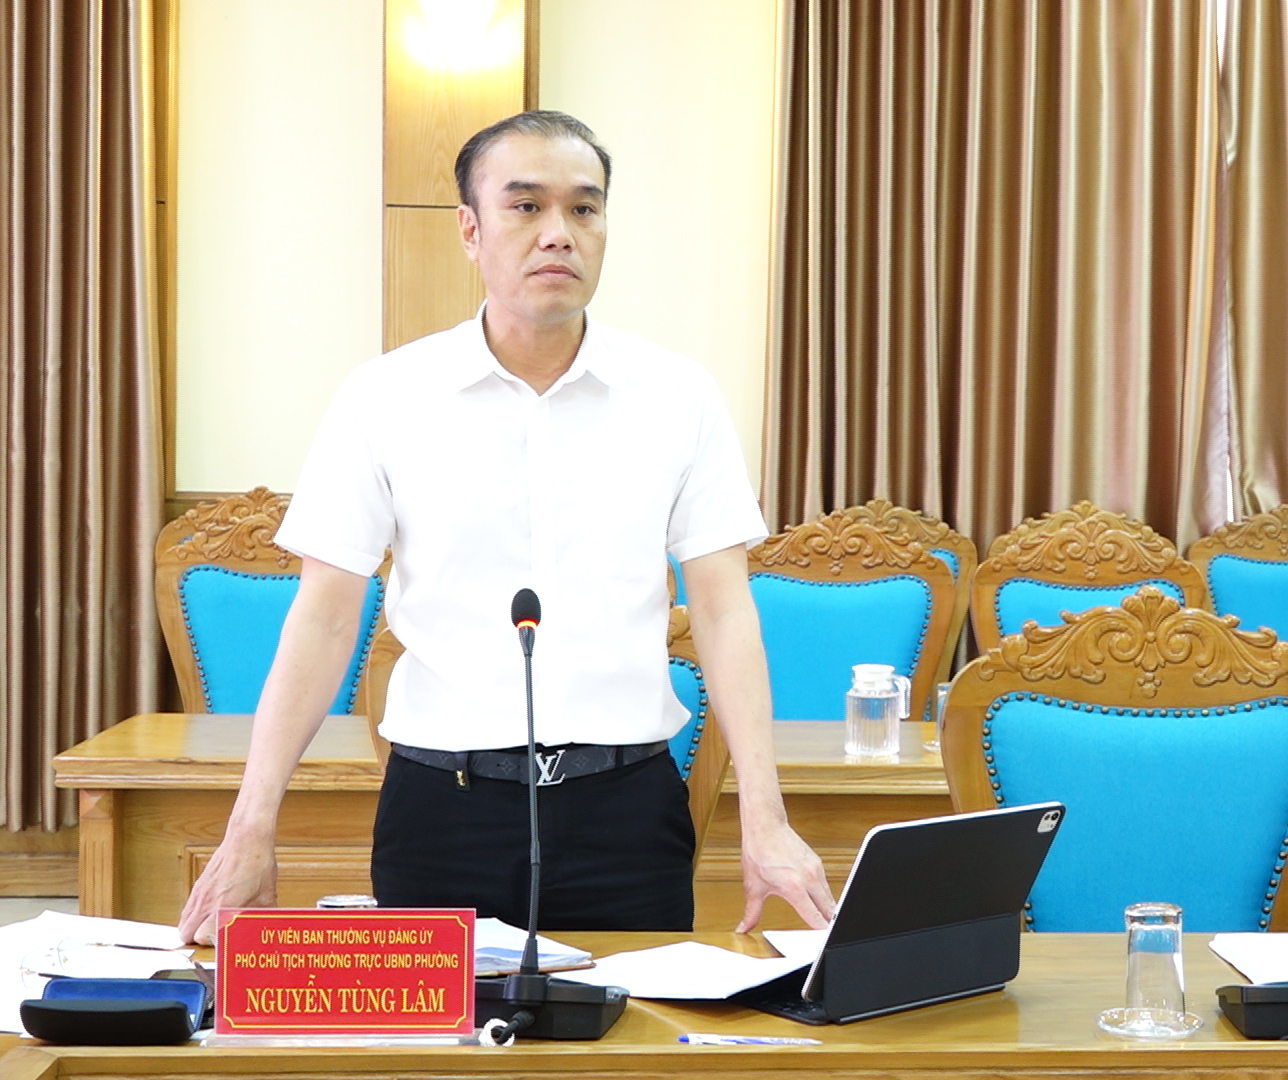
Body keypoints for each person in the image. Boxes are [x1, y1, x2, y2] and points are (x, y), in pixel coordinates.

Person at [176, 111, 834, 945]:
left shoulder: (678, 397)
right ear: (470, 229)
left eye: (584, 209)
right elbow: (324, 616)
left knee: (637, 1024)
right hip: (442, 814)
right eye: (526, 207)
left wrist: (767, 819)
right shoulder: (386, 396)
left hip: (626, 814)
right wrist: (250, 824)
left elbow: (724, 609)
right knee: (442, 1033)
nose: (559, 232)